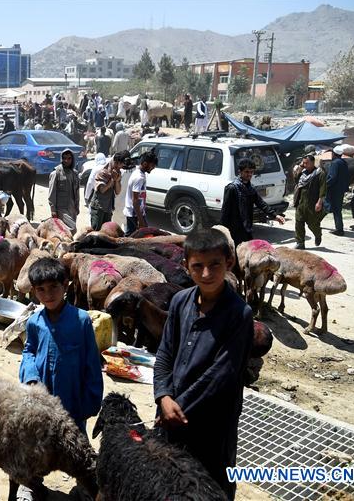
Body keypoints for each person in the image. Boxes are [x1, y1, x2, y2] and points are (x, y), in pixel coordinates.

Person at [154, 228, 253, 499]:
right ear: (186, 266)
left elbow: (221, 375)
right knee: (172, 481)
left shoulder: (239, 315)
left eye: (214, 265)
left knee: (211, 485)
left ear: (229, 263)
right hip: (172, 412)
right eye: (198, 266)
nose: (206, 274)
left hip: (212, 422)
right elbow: (164, 352)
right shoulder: (179, 302)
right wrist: (163, 395)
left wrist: (176, 407)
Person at [17, 257, 103, 500]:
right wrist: (31, 376)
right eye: (41, 290)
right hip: (42, 396)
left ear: (65, 285)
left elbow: (92, 363)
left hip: (72, 398)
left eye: (54, 287)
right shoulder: (34, 321)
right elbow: (29, 350)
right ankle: (31, 483)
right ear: (34, 291)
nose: (48, 294)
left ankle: (86, 486)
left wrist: (90, 400)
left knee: (76, 444)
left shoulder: (81, 320)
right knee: (36, 440)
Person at [220, 159, 286, 245]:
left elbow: (261, 203)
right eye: (247, 172)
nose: (249, 174)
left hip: (246, 228)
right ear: (240, 172)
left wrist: (275, 215)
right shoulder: (232, 188)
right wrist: (222, 230)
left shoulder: (250, 189)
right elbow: (225, 211)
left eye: (251, 172)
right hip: (234, 229)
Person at [293, 153, 327, 249]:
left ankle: (318, 234)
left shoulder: (319, 173)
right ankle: (300, 242)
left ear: (312, 163)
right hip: (300, 202)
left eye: (306, 163)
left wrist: (319, 202)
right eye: (303, 163)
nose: (304, 165)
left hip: (312, 203)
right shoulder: (303, 173)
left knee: (312, 224)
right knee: (299, 222)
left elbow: (323, 189)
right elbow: (296, 180)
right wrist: (300, 167)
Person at [87, 152, 125, 231]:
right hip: (99, 208)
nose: (119, 168)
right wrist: (112, 180)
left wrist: (117, 181)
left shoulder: (118, 173)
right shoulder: (103, 172)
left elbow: (117, 192)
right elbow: (102, 190)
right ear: (115, 162)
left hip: (108, 208)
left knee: (106, 232)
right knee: (96, 231)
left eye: (121, 166)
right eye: (117, 165)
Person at [123, 151, 158, 235]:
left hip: (137, 213)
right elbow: (135, 200)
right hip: (134, 214)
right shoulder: (139, 178)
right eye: (152, 165)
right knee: (132, 238)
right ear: (145, 164)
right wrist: (141, 220)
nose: (153, 168)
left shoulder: (140, 173)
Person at [47, 149, 80, 234]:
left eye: (69, 158)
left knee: (64, 231)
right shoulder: (56, 173)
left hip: (72, 207)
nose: (66, 160)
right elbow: (52, 193)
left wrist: (77, 206)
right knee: (72, 229)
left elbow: (77, 192)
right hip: (61, 208)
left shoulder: (75, 173)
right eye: (64, 158)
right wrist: (53, 210)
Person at [324, 145, 350, 236]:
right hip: (340, 190)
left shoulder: (335, 163)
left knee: (334, 208)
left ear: (334, 154)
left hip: (334, 190)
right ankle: (339, 228)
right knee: (336, 208)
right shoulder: (344, 162)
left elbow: (332, 177)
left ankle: (339, 229)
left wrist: (325, 185)